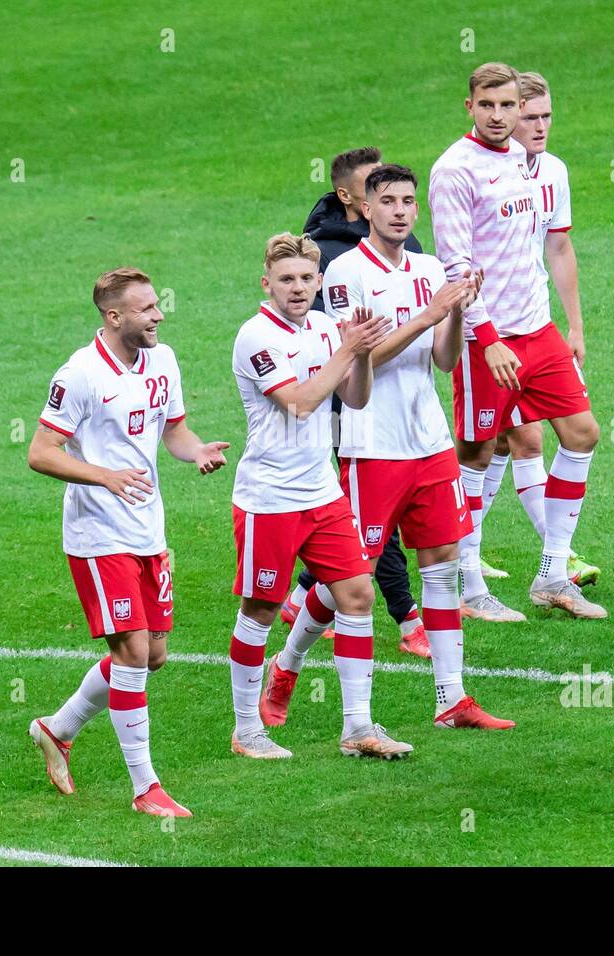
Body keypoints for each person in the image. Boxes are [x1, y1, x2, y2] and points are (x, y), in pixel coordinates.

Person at [260, 164, 514, 730]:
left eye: (408, 201)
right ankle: (288, 662)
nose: (400, 211)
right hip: (370, 447)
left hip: (429, 442)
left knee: (441, 566)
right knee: (350, 576)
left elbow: (444, 360)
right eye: (389, 201)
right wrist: (428, 313)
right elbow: (360, 358)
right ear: (367, 210)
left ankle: (452, 699)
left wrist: (453, 312)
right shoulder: (344, 273)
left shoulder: (429, 267)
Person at [27, 267, 230, 818]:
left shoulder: (162, 359)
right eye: (146, 309)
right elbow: (41, 452)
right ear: (114, 317)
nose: (158, 315)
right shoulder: (80, 375)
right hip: (98, 535)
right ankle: (145, 788)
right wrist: (104, 475)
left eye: (157, 305)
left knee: (153, 656)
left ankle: (57, 728)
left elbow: (173, 432)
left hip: (148, 529)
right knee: (133, 652)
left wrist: (197, 452)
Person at [430, 62, 606, 621]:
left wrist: (567, 325)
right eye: (490, 105)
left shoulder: (529, 166)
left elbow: (547, 248)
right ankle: (467, 584)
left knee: (583, 434)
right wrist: (487, 338)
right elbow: (455, 265)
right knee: (479, 454)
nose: (502, 116)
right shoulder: (455, 171)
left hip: (537, 330)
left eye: (510, 106)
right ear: (470, 107)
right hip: (489, 340)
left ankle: (554, 574)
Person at [228, 232, 413, 760]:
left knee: (357, 594)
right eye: (286, 279)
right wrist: (349, 348)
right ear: (267, 283)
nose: (298, 287)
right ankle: (247, 730)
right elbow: (302, 403)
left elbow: (354, 399)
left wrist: (362, 356)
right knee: (261, 610)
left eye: (307, 278)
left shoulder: (328, 330)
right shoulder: (255, 336)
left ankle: (358, 727)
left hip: (321, 491)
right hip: (270, 498)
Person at [286, 146, 428, 657]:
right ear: (351, 196)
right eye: (376, 190)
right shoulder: (326, 257)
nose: (389, 203)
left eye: (400, 196)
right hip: (346, 404)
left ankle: (304, 590)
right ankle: (408, 617)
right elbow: (347, 346)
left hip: (409, 417)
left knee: (357, 517)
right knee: (369, 523)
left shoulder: (407, 245)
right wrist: (427, 319)